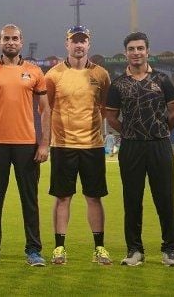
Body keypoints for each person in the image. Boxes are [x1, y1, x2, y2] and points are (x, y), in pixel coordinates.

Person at [105, 31, 174, 267]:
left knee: (165, 199)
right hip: (131, 147)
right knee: (132, 199)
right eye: (131, 49)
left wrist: (160, 132)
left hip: (159, 145)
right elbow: (111, 117)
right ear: (126, 53)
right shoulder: (118, 84)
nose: (136, 52)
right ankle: (134, 250)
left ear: (148, 51)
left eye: (140, 48)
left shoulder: (162, 80)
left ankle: (170, 250)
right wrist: (130, 133)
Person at [0, 24, 51, 267]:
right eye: (6, 38)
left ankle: (33, 250)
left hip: (27, 144)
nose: (11, 42)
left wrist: (43, 143)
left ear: (21, 42)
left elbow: (44, 110)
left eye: (15, 38)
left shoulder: (34, 71)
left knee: (29, 200)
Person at [44, 26, 113, 266]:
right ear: (67, 44)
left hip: (92, 145)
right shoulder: (53, 74)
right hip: (62, 145)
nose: (79, 45)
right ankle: (59, 248)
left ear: (89, 45)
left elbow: (104, 107)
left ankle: (100, 248)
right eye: (75, 41)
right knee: (63, 197)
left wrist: (90, 128)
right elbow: (48, 107)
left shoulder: (101, 75)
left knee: (94, 197)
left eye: (83, 41)